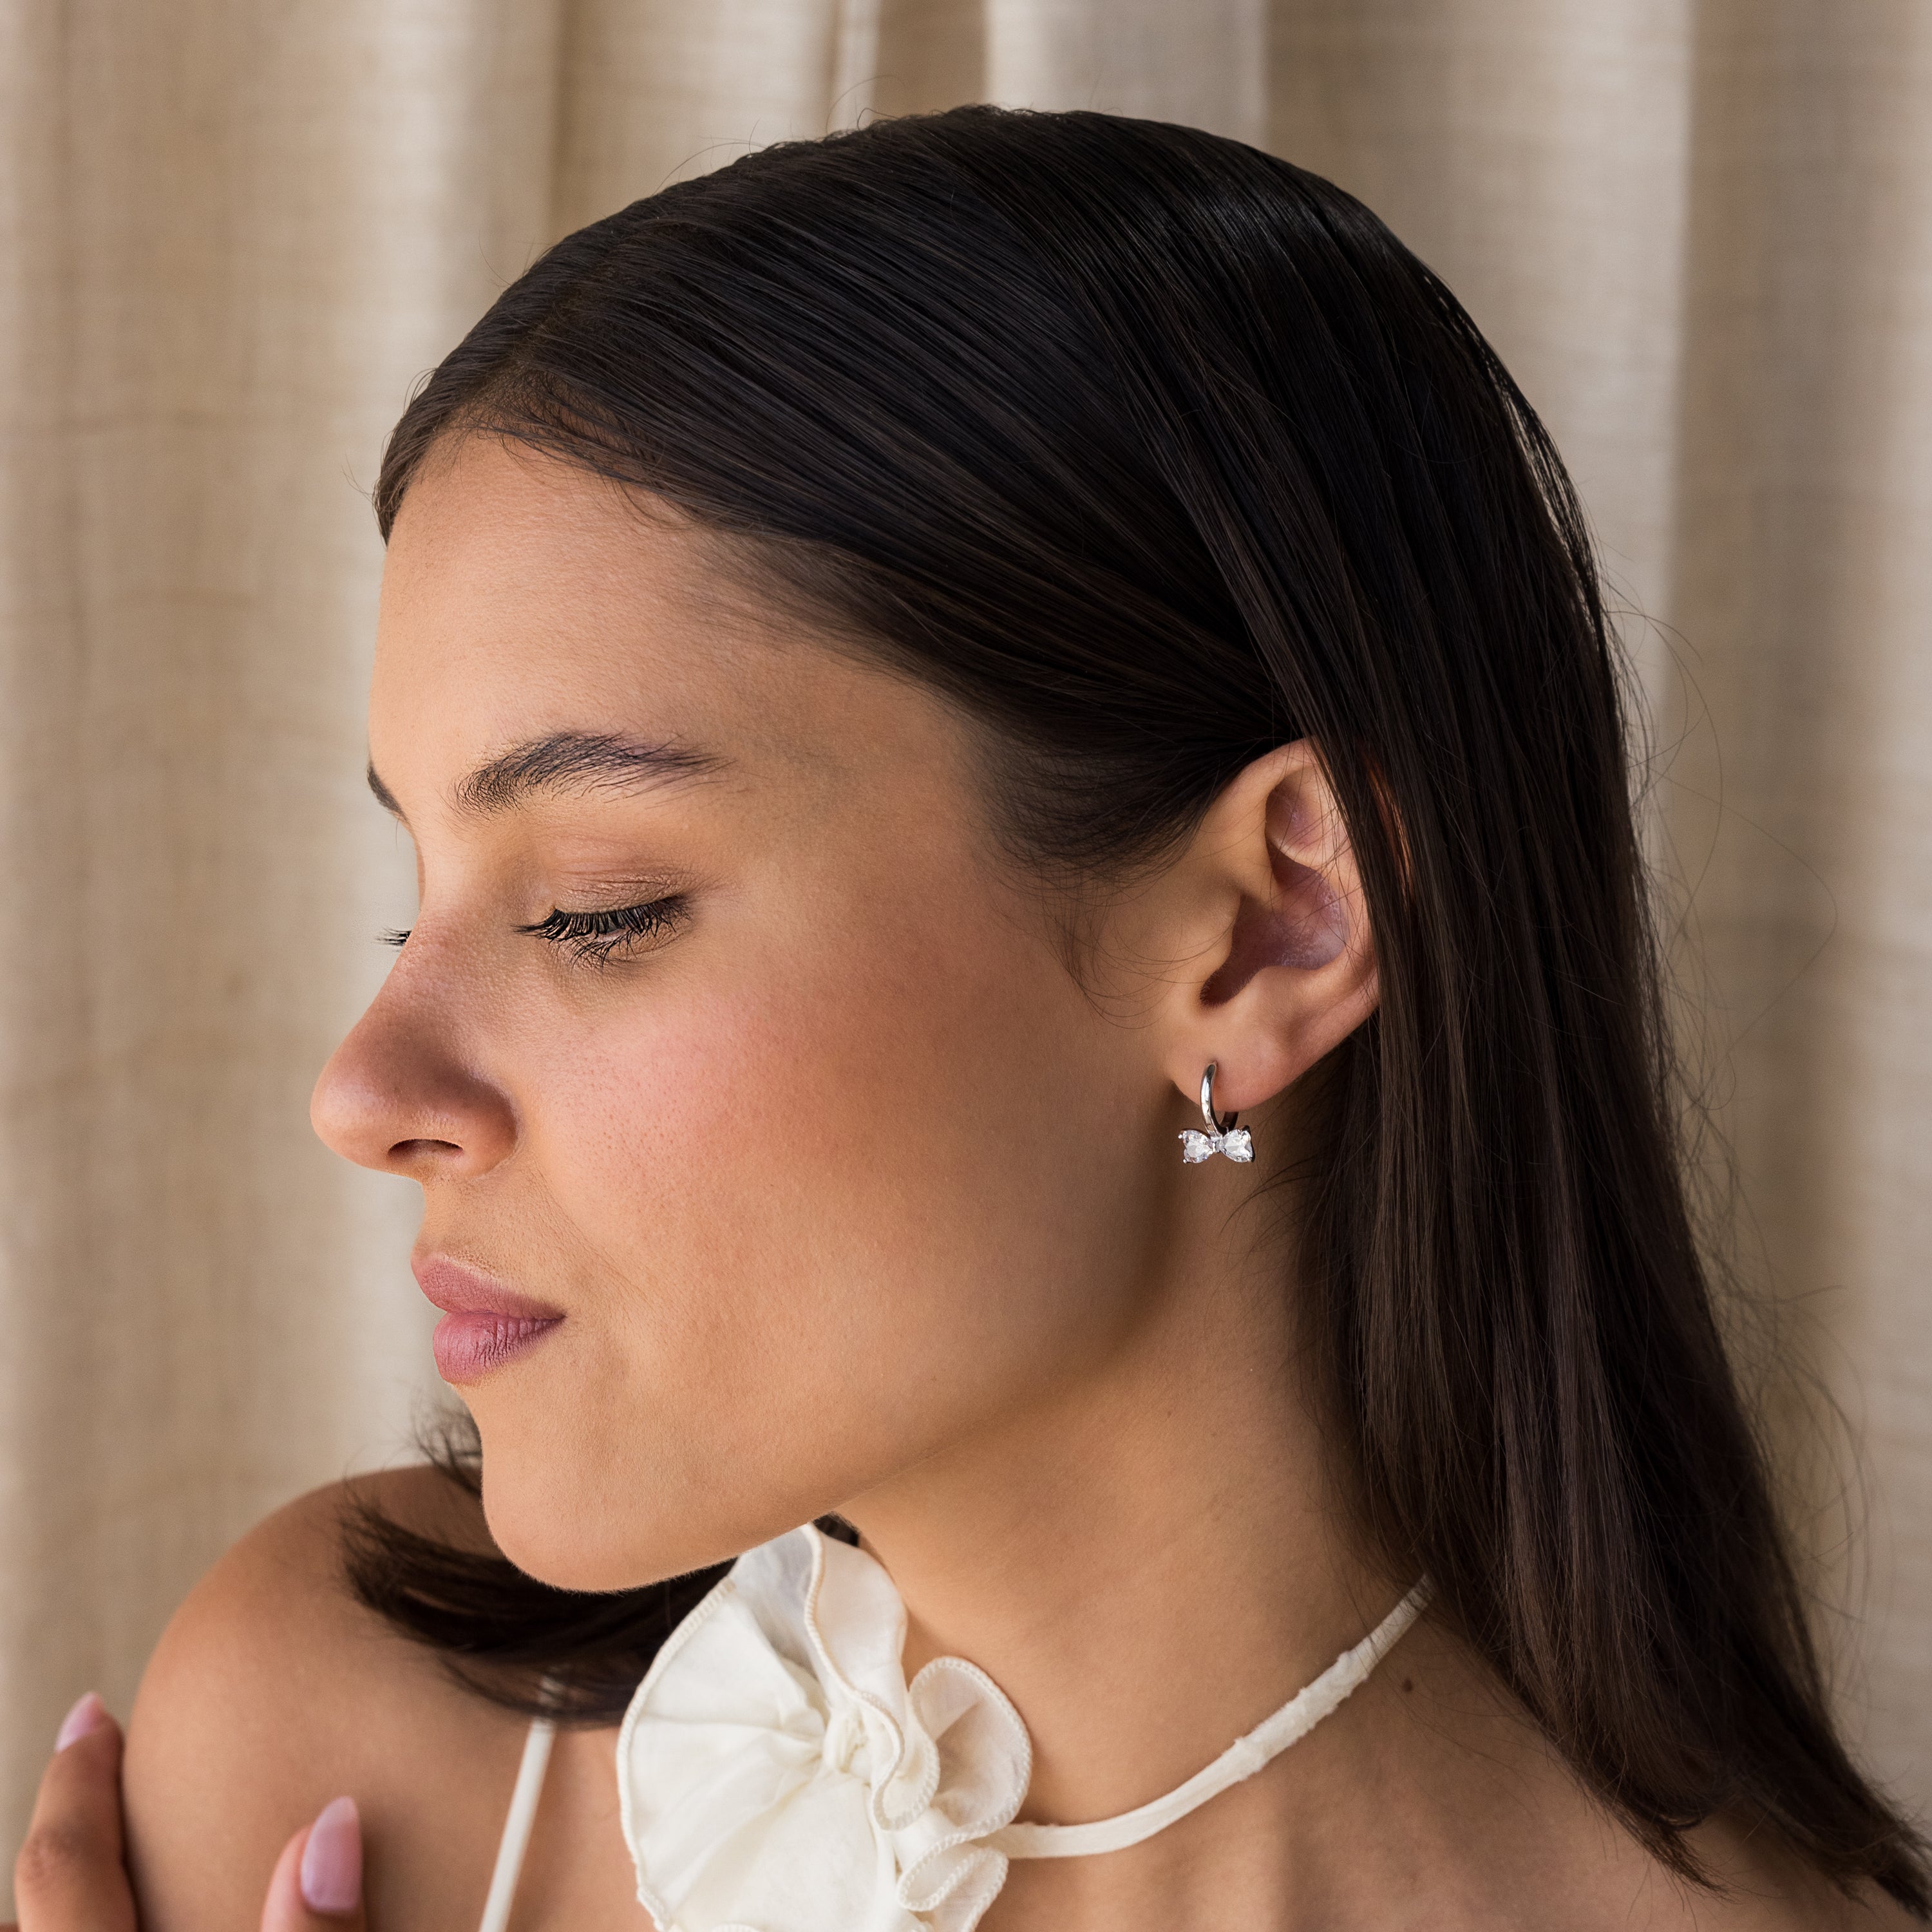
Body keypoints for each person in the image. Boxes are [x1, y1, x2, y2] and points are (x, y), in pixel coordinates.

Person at [10, 105, 1926, 1932]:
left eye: (601, 908)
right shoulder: (347, 1760)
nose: (363, 1092)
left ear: (1275, 928)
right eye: (410, 897)